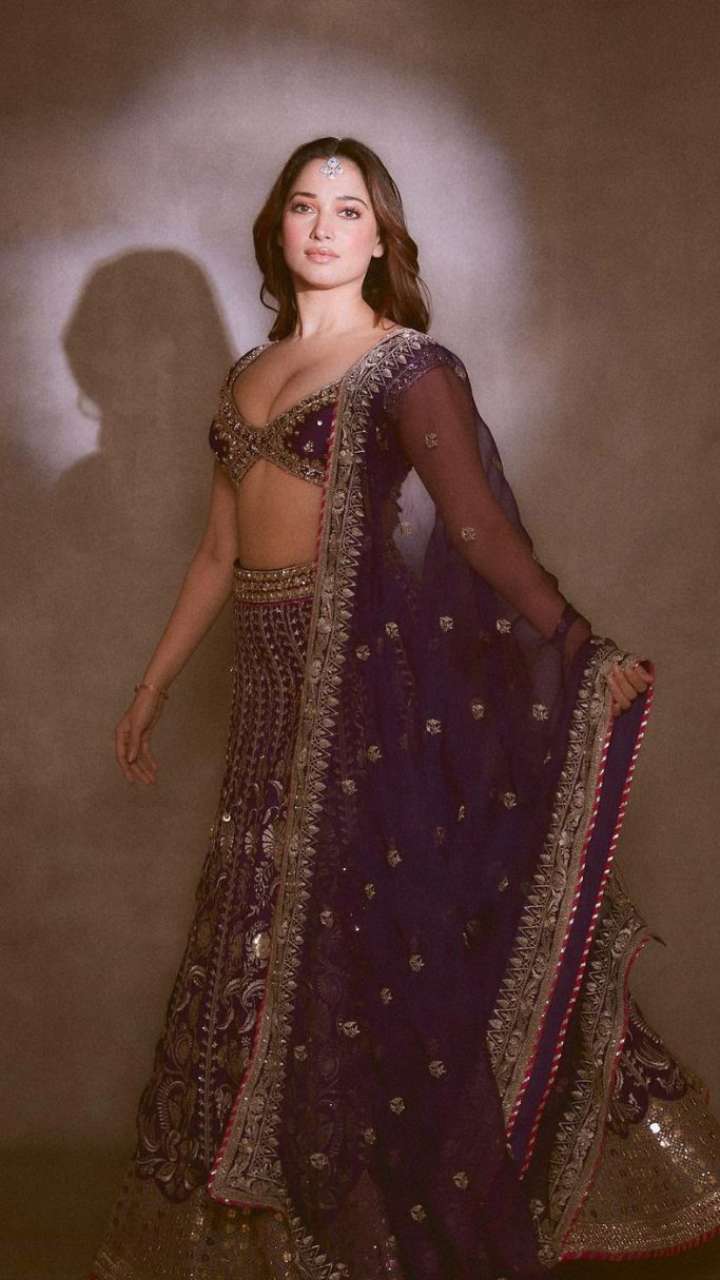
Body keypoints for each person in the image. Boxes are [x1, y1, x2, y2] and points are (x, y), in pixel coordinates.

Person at [92, 137, 720, 1280]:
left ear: (382, 239)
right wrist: (152, 682)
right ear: (277, 228)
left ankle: (387, 1202)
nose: (324, 227)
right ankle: (255, 1211)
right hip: (264, 684)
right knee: (254, 924)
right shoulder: (247, 372)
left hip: (361, 695)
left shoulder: (405, 366)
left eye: (349, 210)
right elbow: (218, 553)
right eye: (305, 206)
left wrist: (576, 646)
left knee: (381, 938)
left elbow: (477, 530)